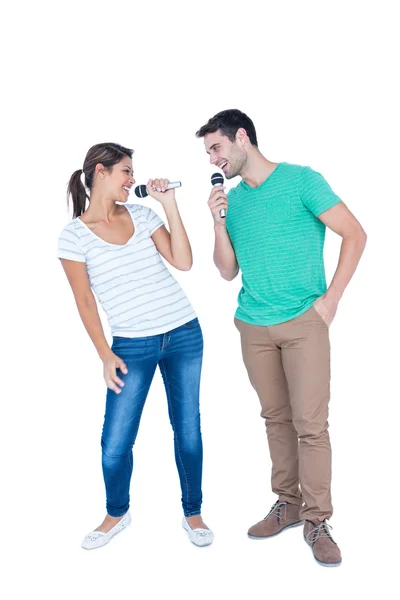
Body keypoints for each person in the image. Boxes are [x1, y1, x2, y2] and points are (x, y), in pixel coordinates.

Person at [196, 109, 366, 567]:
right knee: (275, 418)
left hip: (303, 321)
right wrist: (216, 223)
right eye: (208, 151)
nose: (213, 158)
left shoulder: (302, 181)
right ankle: (287, 504)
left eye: (216, 147)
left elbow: (355, 233)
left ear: (242, 138)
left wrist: (330, 301)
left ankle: (317, 520)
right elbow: (228, 271)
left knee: (311, 425)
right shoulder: (233, 201)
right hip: (254, 324)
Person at [57, 142, 213, 549]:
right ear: (100, 172)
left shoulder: (143, 214)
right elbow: (85, 301)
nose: (132, 179)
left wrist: (169, 205)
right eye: (126, 171)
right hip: (131, 346)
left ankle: (193, 512)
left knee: (188, 430)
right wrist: (105, 354)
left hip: (182, 332)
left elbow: (184, 262)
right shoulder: (73, 236)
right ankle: (116, 512)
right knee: (115, 444)